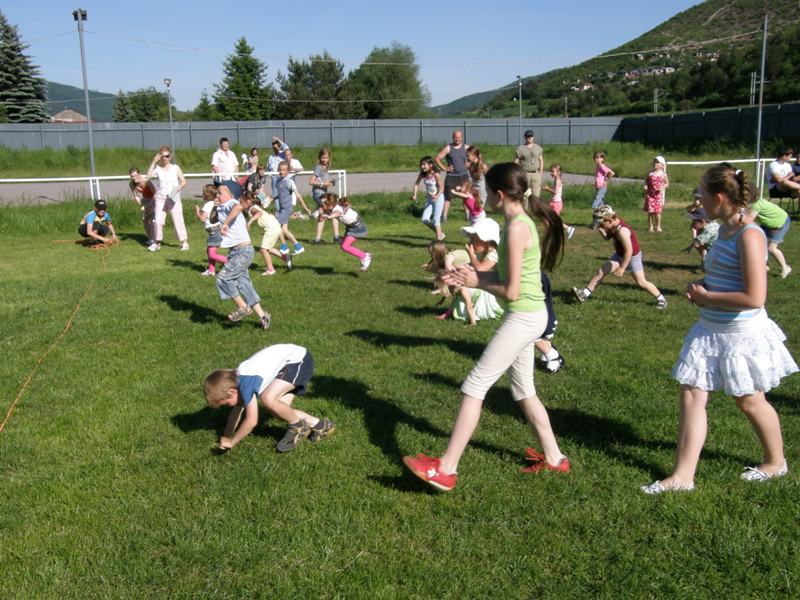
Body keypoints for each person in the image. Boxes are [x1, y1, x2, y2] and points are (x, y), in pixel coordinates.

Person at [403, 162, 569, 492]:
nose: (483, 195)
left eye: (486, 191)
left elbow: (512, 290)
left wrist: (477, 281)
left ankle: (446, 469)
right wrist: (468, 275)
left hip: (524, 316)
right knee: (523, 391)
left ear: (500, 194)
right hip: (528, 314)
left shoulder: (517, 228)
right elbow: (506, 276)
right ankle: (555, 458)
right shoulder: (516, 222)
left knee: (474, 385)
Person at [642, 164, 798, 494]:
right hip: (710, 328)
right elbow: (726, 276)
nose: (698, 201)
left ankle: (775, 462)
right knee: (691, 393)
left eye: (702, 195)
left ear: (719, 198)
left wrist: (707, 297)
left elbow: (755, 297)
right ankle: (683, 477)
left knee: (750, 400)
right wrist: (703, 285)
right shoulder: (723, 230)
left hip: (741, 334)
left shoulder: (750, 235)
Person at [204, 344, 334, 452]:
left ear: (231, 392)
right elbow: (236, 413)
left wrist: (232, 442)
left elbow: (251, 421)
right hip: (288, 364)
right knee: (280, 412)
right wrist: (226, 436)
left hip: (298, 360)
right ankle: (321, 426)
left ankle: (297, 427)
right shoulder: (236, 381)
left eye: (226, 403)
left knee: (268, 398)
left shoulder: (245, 384)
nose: (229, 406)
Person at [572, 204, 667, 309]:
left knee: (641, 282)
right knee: (602, 271)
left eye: (601, 224)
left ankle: (661, 299)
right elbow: (607, 238)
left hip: (632, 257)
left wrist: (622, 268)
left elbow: (629, 251)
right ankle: (584, 294)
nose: (600, 226)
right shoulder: (612, 225)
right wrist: (602, 232)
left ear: (609, 221)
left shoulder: (622, 231)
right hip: (619, 254)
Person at [215, 182, 271, 329]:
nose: (217, 195)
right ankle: (263, 316)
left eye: (220, 193)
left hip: (242, 252)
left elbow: (239, 207)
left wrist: (225, 223)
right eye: (217, 193)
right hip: (237, 252)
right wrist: (216, 208)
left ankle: (243, 308)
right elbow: (213, 219)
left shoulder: (232, 203)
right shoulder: (223, 207)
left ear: (231, 195)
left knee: (223, 278)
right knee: (243, 283)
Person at [146, 146, 189, 252]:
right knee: (158, 220)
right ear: (160, 157)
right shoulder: (158, 169)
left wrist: (180, 186)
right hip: (160, 197)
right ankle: (157, 243)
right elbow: (148, 176)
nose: (165, 158)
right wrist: (154, 162)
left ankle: (184, 242)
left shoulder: (175, 168)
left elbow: (184, 181)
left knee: (177, 219)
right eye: (163, 156)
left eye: (167, 156)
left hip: (173, 197)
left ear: (170, 157)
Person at [319, 193, 372, 271]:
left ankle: (365, 257)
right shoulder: (331, 207)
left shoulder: (337, 208)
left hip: (357, 227)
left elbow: (337, 213)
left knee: (345, 246)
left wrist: (329, 216)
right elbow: (321, 218)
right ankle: (365, 256)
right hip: (350, 227)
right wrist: (321, 214)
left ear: (330, 204)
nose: (321, 205)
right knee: (344, 246)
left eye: (323, 204)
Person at [245, 191, 291, 275]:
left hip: (271, 228)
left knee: (263, 249)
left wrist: (250, 222)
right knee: (268, 248)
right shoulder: (255, 206)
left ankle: (270, 270)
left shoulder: (252, 208)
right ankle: (286, 258)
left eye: (242, 201)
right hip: (275, 225)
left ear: (248, 201)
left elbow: (259, 213)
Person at [749, 193, 793, 278]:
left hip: (780, 223)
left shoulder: (757, 205)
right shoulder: (753, 203)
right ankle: (765, 266)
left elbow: (749, 219)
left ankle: (785, 268)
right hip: (768, 223)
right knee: (758, 242)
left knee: (771, 248)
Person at [274, 161, 311, 256]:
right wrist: (271, 198)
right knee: (284, 230)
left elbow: (298, 195)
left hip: (287, 209)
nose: (281, 172)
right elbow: (280, 194)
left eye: (284, 170)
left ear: (288, 171)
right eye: (280, 170)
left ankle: (284, 247)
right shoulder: (278, 181)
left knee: (275, 225)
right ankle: (299, 247)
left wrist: (305, 208)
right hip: (282, 209)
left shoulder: (289, 182)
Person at [193, 183, 228, 277]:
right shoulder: (216, 203)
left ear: (208, 195)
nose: (202, 195)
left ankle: (230, 264)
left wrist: (197, 211)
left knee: (212, 254)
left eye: (203, 193)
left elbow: (202, 219)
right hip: (215, 232)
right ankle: (211, 271)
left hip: (214, 233)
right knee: (209, 252)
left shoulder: (208, 205)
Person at [435, 130, 470, 222]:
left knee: (465, 196)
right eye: (455, 137)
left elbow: (477, 155)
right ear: (452, 137)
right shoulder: (448, 148)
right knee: (448, 197)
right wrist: (444, 168)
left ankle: (468, 216)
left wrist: (470, 164)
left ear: (462, 137)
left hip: (464, 176)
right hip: (451, 176)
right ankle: (444, 217)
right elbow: (437, 159)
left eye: (458, 137)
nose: (456, 139)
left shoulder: (466, 148)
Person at [309, 148, 340, 243]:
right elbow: (311, 181)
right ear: (319, 157)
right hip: (319, 194)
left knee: (323, 215)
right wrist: (324, 184)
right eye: (322, 157)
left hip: (322, 193)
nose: (324, 159)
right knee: (333, 211)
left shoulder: (325, 167)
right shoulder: (319, 167)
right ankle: (336, 237)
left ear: (329, 158)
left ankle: (318, 239)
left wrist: (330, 182)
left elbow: (324, 181)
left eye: (326, 158)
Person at [411, 156, 445, 241]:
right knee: (425, 219)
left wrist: (436, 196)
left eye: (424, 164)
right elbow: (416, 184)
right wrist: (414, 195)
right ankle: (440, 234)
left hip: (438, 198)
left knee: (436, 220)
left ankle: (438, 240)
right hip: (429, 199)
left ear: (430, 165)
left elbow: (442, 188)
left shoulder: (436, 174)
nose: (422, 166)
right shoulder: (422, 174)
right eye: (421, 165)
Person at [543, 163, 575, 239]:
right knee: (548, 217)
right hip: (554, 202)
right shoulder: (557, 180)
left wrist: (547, 189)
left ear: (558, 172)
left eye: (552, 171)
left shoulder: (558, 180)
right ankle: (551, 233)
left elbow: (555, 192)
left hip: (557, 204)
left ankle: (568, 228)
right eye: (550, 171)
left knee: (555, 220)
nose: (551, 173)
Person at [128, 167, 156, 246]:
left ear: (139, 174)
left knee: (152, 220)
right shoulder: (131, 184)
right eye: (132, 176)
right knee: (145, 220)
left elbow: (155, 194)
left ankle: (155, 239)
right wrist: (141, 204)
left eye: (135, 175)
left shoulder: (146, 181)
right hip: (145, 200)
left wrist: (150, 204)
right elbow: (136, 196)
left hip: (154, 200)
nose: (134, 178)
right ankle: (150, 238)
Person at [514, 130, 544, 198]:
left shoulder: (538, 147)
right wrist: (514, 171)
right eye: (528, 136)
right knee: (525, 194)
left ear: (533, 137)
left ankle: (535, 205)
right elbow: (516, 160)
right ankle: (525, 205)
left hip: (536, 173)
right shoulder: (520, 148)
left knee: (536, 194)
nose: (530, 138)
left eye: (531, 136)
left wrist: (540, 172)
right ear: (525, 137)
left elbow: (541, 159)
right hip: (525, 173)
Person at [643, 156, 669, 233]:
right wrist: (646, 186)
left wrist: (661, 188)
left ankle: (658, 226)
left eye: (657, 162)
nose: (655, 164)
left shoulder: (663, 174)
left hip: (658, 196)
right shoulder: (650, 173)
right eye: (654, 162)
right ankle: (650, 226)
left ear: (662, 165)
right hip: (650, 195)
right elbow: (646, 182)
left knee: (658, 212)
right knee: (650, 212)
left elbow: (667, 183)